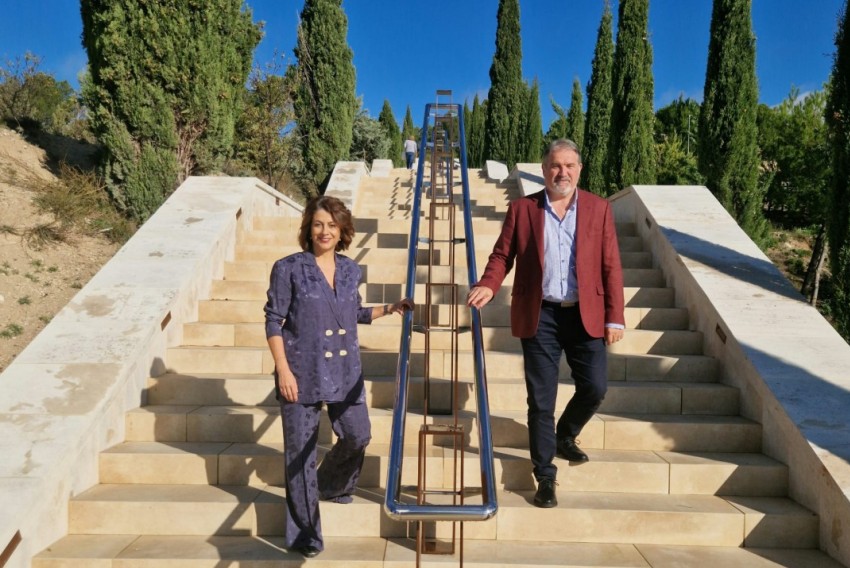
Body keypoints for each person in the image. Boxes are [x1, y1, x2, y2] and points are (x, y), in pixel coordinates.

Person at [466, 139, 624, 509]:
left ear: (579, 170)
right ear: (544, 169)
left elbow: (611, 265)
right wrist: (489, 284)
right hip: (541, 315)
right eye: (555, 165)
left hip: (585, 314)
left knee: (595, 386)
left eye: (569, 165)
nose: (562, 172)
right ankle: (546, 475)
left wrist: (615, 315)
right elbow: (503, 254)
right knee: (541, 400)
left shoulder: (599, 209)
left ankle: (566, 434)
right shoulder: (523, 209)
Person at [264, 195, 413, 557]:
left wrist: (388, 309)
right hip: (300, 372)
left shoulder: (350, 270)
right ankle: (305, 536)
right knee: (299, 455)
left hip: (345, 372)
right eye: (318, 224)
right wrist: (282, 369)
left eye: (332, 225)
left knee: (358, 435)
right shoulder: (289, 268)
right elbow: (273, 320)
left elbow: (351, 311)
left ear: (343, 230)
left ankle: (331, 483)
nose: (324, 231)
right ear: (308, 229)